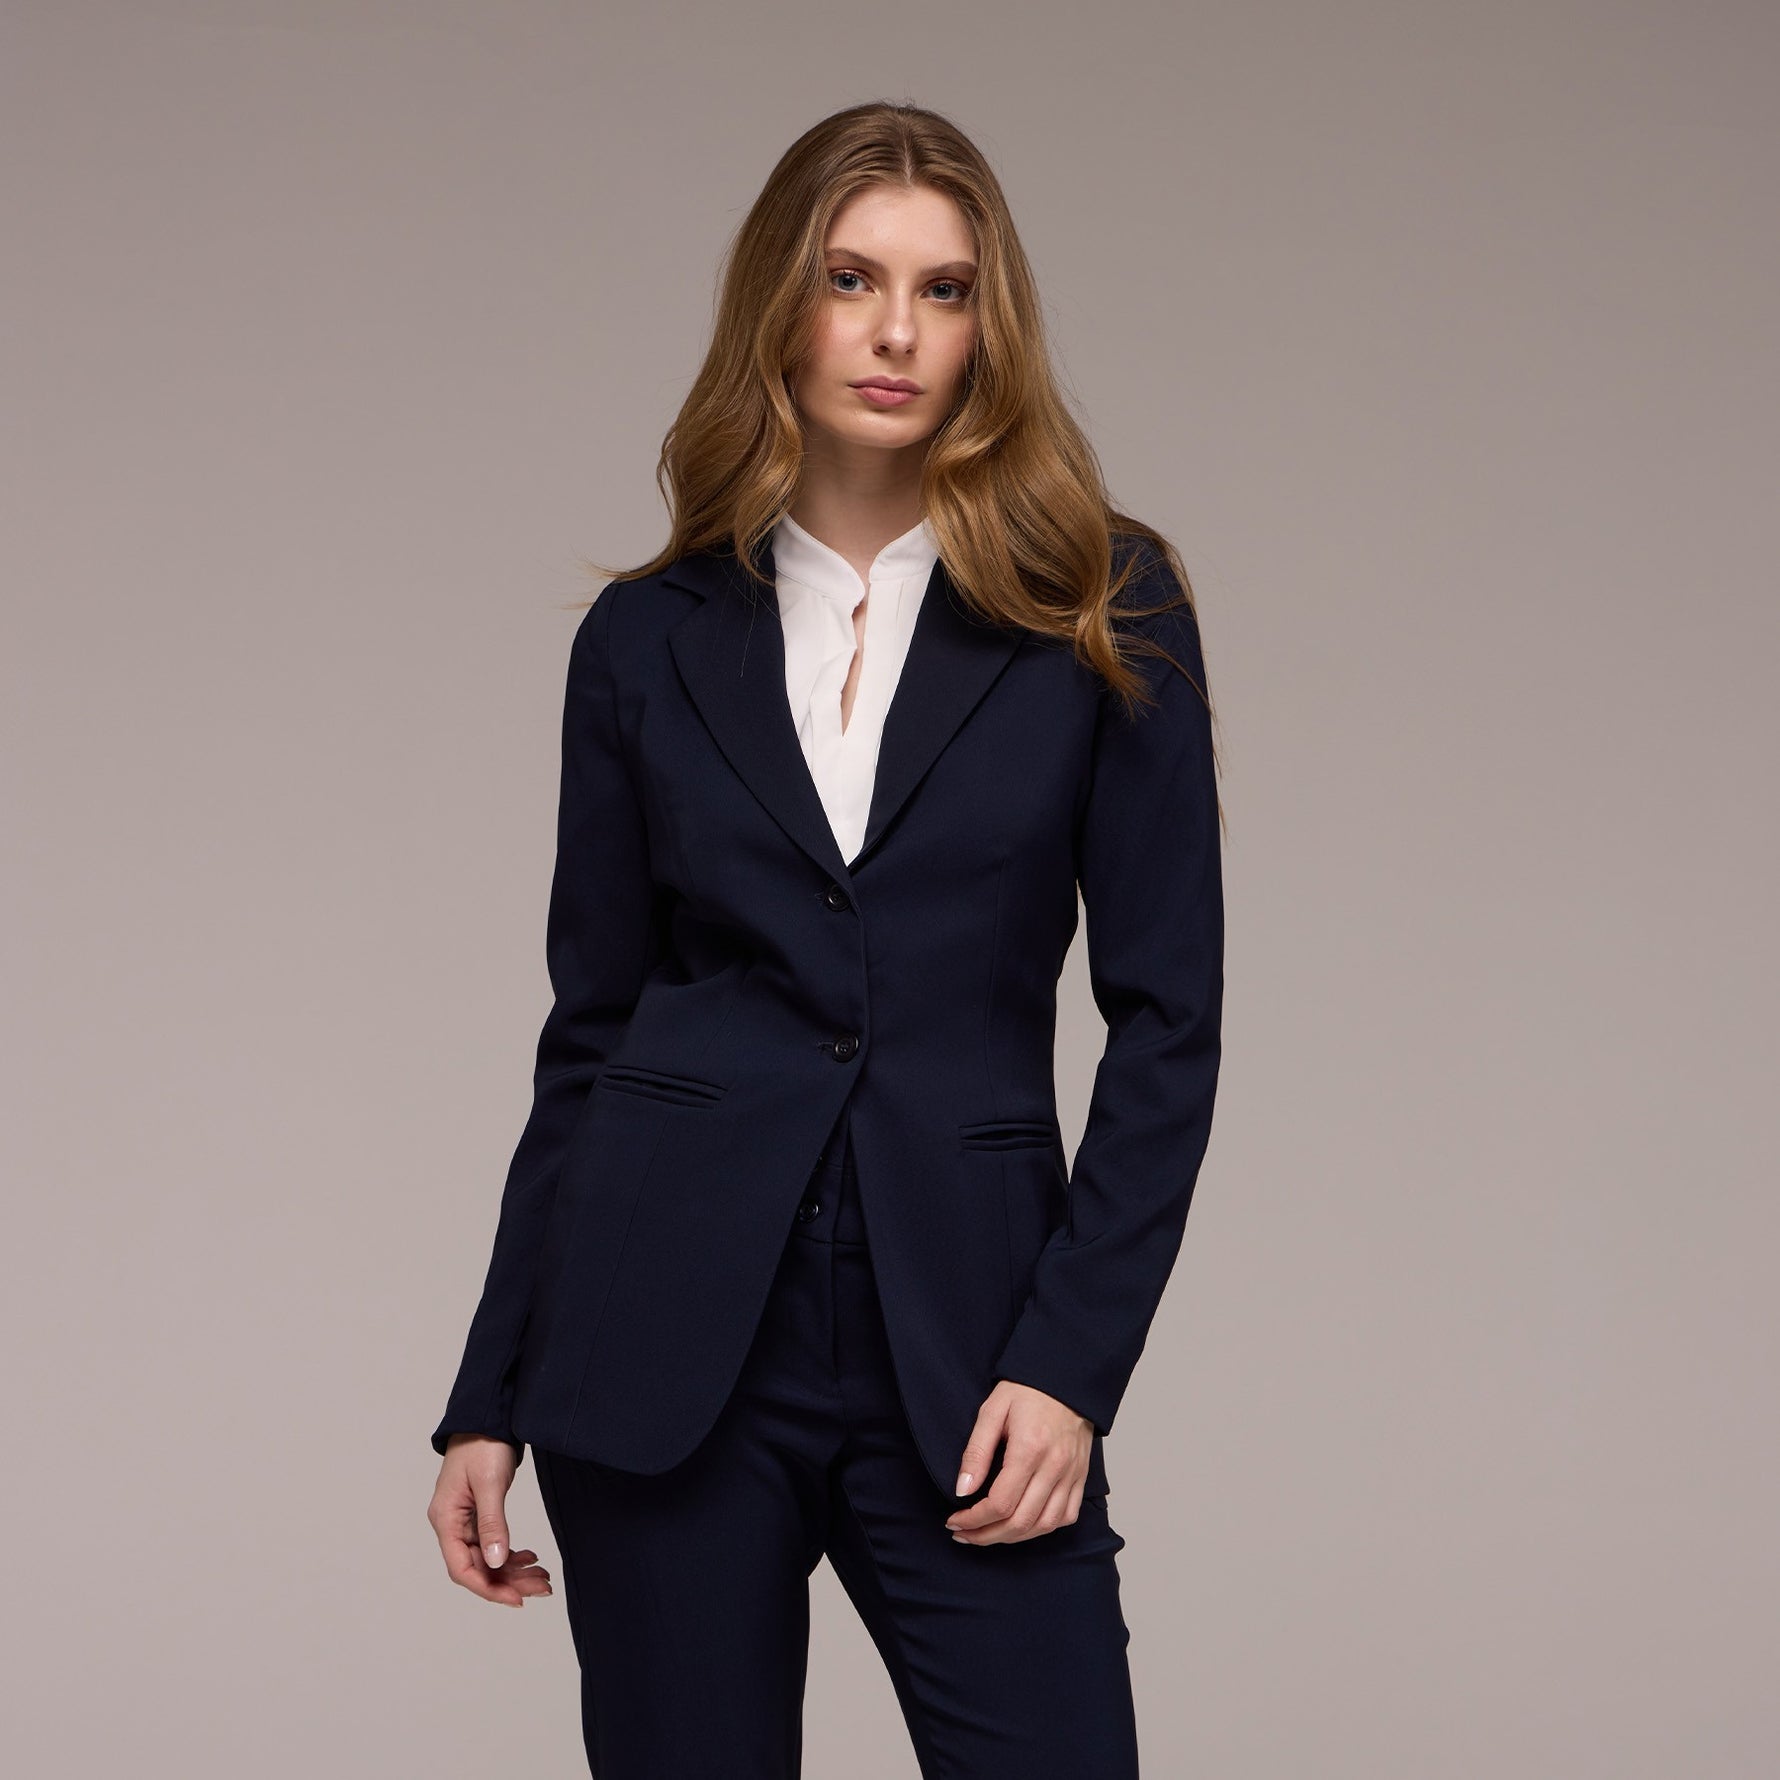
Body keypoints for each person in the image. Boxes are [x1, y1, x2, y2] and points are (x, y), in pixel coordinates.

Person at [425, 99, 1224, 1778]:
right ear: (778, 309)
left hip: (972, 1338)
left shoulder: (1105, 603)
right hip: (664, 1341)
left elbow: (1169, 1026)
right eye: (852, 278)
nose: (894, 331)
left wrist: (1072, 1365)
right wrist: (490, 1388)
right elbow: (594, 1035)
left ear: (989, 327)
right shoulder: (644, 641)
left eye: (944, 290)